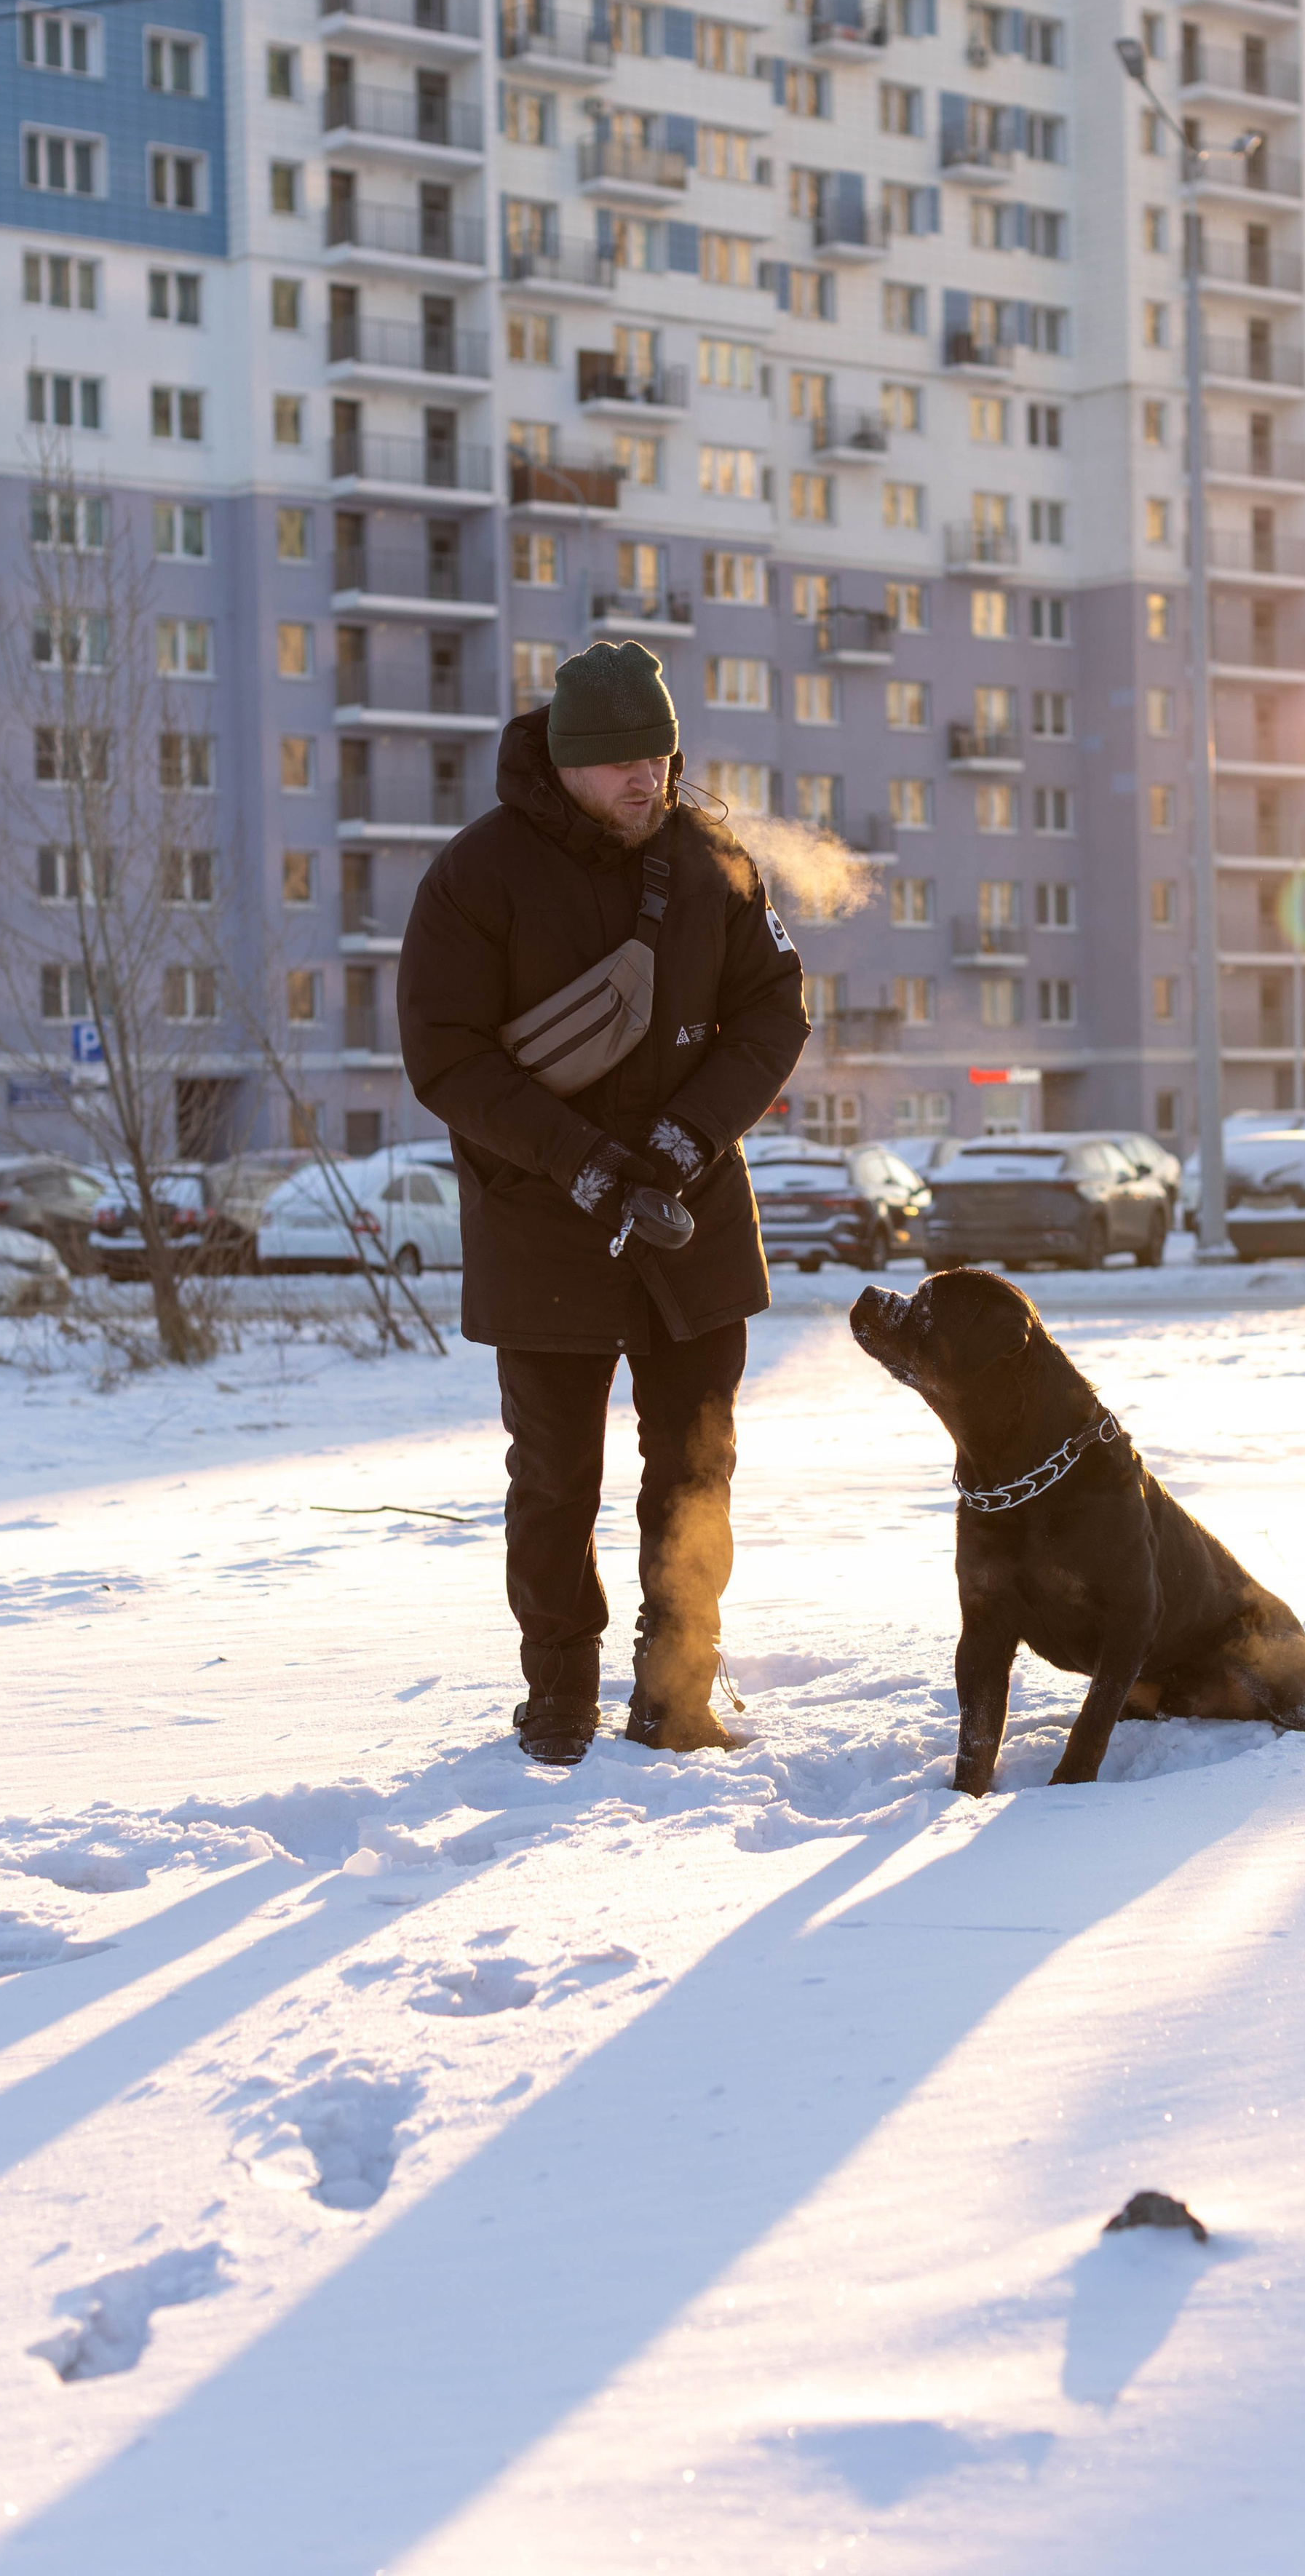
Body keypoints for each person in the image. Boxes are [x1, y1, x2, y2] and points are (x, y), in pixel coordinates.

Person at [397, 640, 809, 1765]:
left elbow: (777, 1010)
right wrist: (581, 1160)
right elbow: (444, 1056)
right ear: (566, 764)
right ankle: (561, 1705)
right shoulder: (475, 877)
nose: (647, 780)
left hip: (692, 1215)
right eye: (621, 760)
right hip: (544, 1223)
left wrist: (681, 1141)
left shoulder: (712, 856)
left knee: (696, 1470)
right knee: (553, 1483)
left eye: (662, 756)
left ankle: (678, 1694)